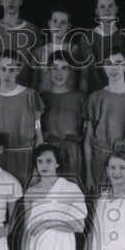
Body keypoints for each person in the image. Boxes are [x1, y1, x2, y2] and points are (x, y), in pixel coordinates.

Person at [83, 48, 125, 193]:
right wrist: (88, 173)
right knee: (101, 207)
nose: (114, 68)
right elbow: (88, 139)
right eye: (109, 63)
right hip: (100, 164)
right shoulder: (95, 99)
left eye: (118, 63)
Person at [0, 51, 45, 187]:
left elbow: (39, 135)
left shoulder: (30, 96)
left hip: (25, 160)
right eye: (3, 69)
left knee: (23, 203)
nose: (7, 74)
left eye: (12, 70)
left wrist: (37, 169)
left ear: (18, 70)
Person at [40, 52, 87, 187]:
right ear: (49, 71)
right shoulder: (42, 99)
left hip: (74, 156)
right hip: (50, 156)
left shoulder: (81, 98)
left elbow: (87, 134)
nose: (59, 73)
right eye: (54, 68)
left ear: (71, 71)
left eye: (64, 68)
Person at [33, 5, 87, 93]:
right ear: (49, 23)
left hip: (70, 102)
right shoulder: (39, 52)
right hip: (44, 102)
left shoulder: (77, 51)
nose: (58, 26)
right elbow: (34, 84)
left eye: (63, 22)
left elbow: (83, 82)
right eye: (55, 21)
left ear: (69, 26)